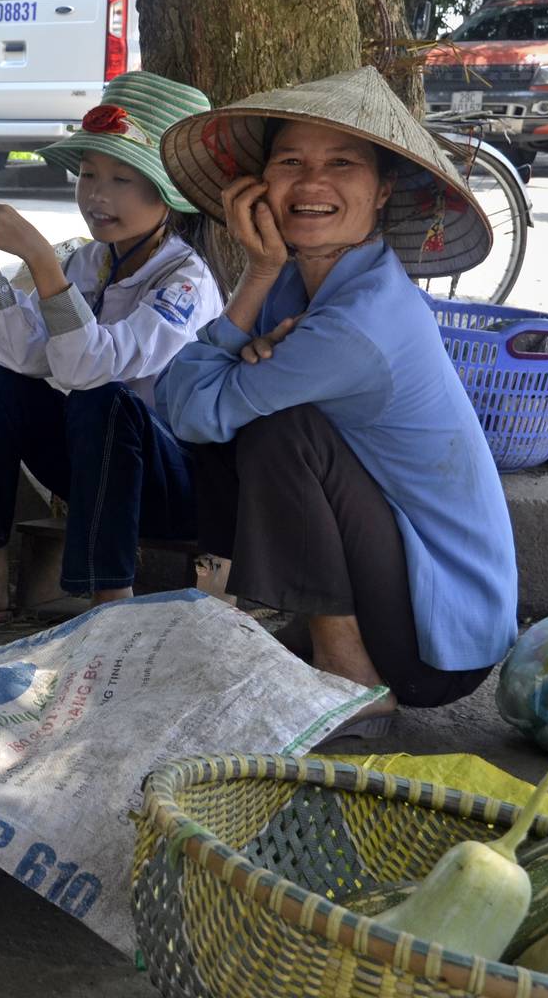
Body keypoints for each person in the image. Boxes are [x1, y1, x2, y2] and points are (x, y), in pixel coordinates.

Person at [155, 66, 516, 731]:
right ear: (261, 186)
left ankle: (350, 677)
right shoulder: (300, 285)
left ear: (381, 193)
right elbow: (180, 403)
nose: (312, 183)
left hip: (437, 644)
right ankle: (234, 615)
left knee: (277, 429)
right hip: (392, 580)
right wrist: (260, 276)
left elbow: (190, 407)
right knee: (240, 424)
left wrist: (244, 357)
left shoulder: (358, 322)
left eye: (342, 163)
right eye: (290, 161)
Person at [0, 72, 223, 636]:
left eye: (122, 179)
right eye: (87, 174)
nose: (97, 195)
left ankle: (111, 599)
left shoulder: (186, 281)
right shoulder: (89, 263)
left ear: (167, 195)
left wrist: (39, 257)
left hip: (171, 484)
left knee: (102, 400)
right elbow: (20, 357)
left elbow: (92, 369)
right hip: (92, 469)